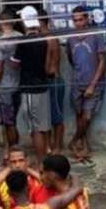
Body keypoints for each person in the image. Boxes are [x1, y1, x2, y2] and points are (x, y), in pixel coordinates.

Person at [67, 6, 106, 167]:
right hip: (77, 83)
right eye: (75, 20)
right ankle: (83, 145)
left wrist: (92, 84)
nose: (78, 23)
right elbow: (71, 59)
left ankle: (74, 141)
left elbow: (102, 61)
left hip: (93, 83)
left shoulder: (96, 36)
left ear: (87, 19)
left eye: (81, 19)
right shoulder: (71, 39)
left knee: (87, 116)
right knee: (79, 115)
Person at [11, 6, 50, 167]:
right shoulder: (44, 40)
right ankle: (44, 160)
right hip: (43, 86)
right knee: (43, 127)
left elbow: (15, 64)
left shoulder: (23, 42)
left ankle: (41, 162)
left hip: (29, 89)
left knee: (35, 129)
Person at [0, 9, 22, 162]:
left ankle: (13, 152)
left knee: (9, 123)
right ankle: (8, 149)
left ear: (1, 22)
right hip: (19, 85)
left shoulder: (0, 42)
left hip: (5, 87)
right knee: (11, 120)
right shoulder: (21, 37)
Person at [40, 9, 66, 156]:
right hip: (46, 81)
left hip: (53, 80)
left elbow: (48, 66)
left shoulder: (49, 39)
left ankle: (57, 146)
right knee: (46, 117)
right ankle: (49, 146)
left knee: (57, 117)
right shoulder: (41, 38)